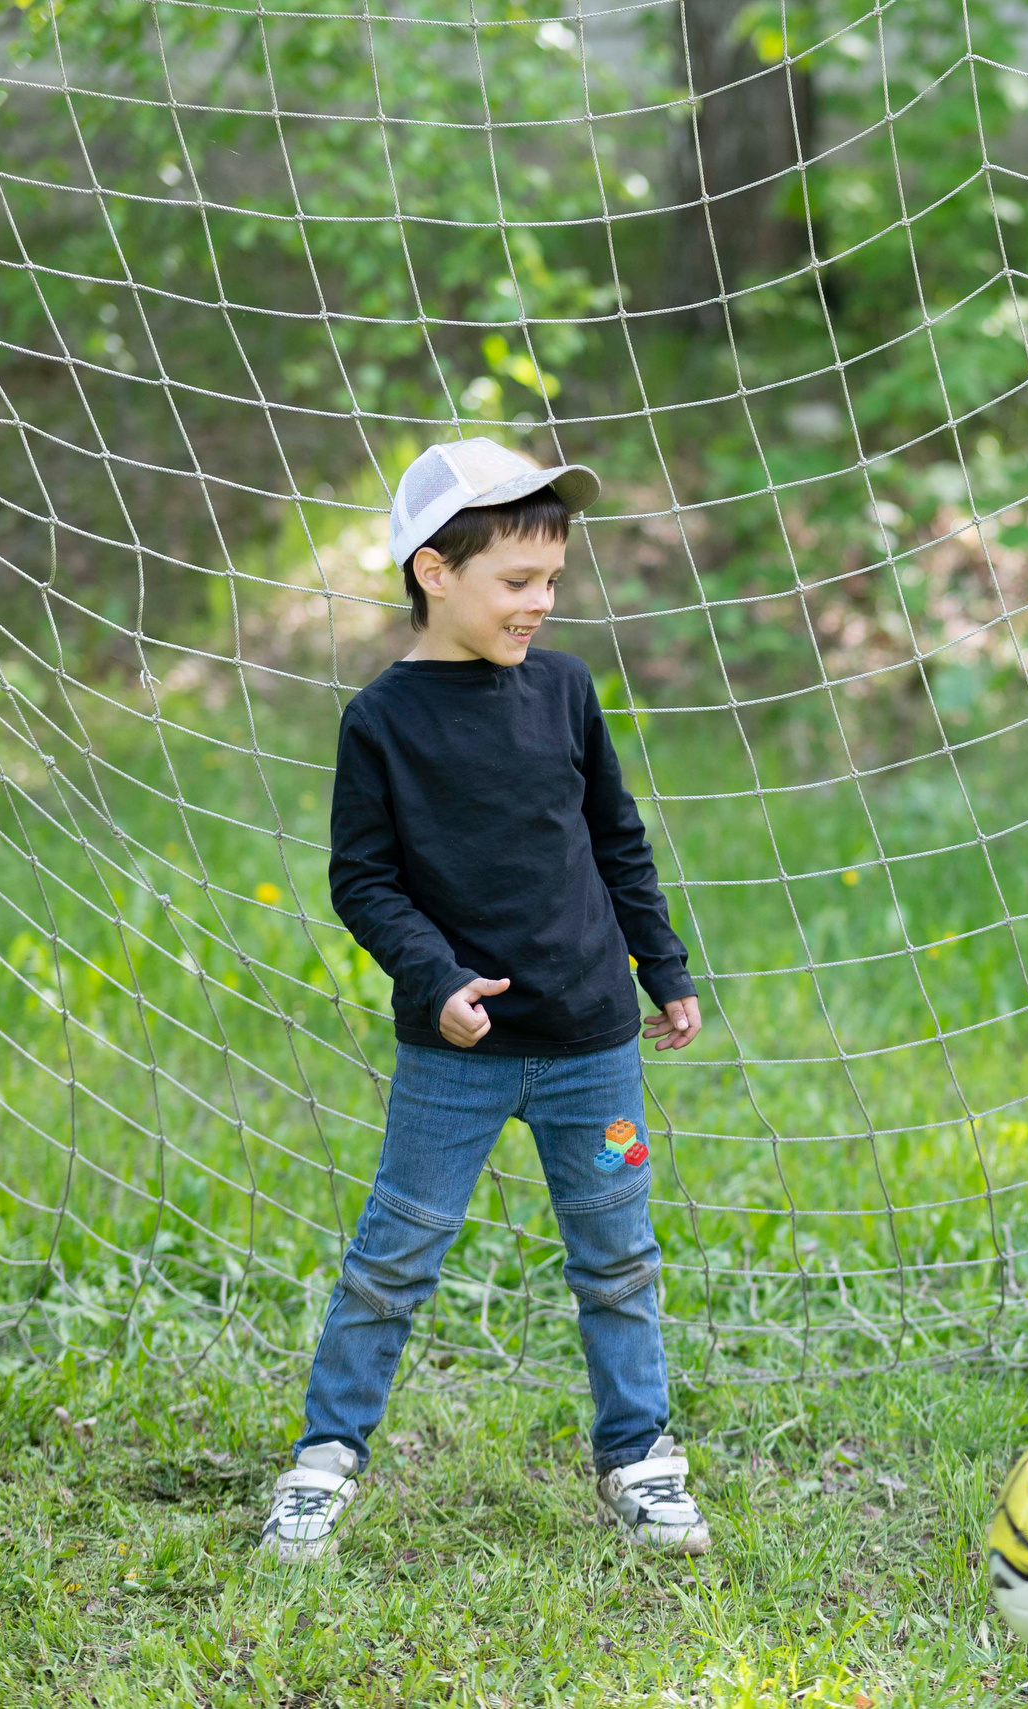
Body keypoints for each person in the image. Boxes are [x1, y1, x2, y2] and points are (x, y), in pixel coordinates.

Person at [260, 439, 710, 1563]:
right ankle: (324, 1461)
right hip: (452, 1058)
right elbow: (363, 879)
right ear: (433, 571)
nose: (540, 603)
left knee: (617, 1256)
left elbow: (616, 840)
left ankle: (640, 1458)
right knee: (392, 1260)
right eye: (517, 581)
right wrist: (436, 975)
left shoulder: (563, 689)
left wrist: (665, 968)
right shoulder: (382, 721)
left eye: (552, 580)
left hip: (592, 1048)